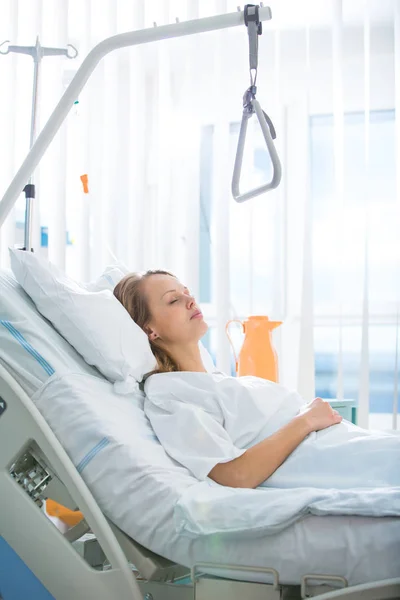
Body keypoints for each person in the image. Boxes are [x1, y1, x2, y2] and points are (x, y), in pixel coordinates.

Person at [114, 270, 400, 490]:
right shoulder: (170, 395)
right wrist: (307, 420)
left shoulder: (213, 381)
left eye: (186, 292)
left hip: (340, 445)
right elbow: (235, 475)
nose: (191, 300)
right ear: (149, 329)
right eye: (174, 300)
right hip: (324, 458)